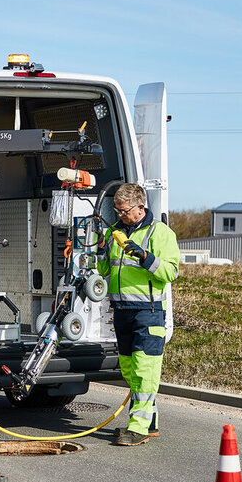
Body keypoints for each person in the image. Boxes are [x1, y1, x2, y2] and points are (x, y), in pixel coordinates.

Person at [96, 183, 180, 446]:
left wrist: (144, 256)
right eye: (117, 211)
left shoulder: (161, 233)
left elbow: (171, 272)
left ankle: (138, 428)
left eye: (124, 211)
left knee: (145, 370)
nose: (120, 215)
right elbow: (104, 270)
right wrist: (100, 250)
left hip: (148, 312)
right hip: (121, 311)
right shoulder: (114, 232)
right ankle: (150, 420)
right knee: (130, 370)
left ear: (141, 207)